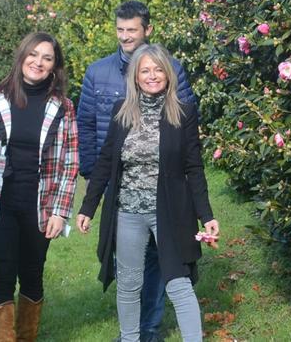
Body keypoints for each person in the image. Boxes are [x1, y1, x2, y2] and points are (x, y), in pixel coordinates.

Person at [75, 44, 219, 342]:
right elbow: (105, 163)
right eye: (145, 70)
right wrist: (87, 207)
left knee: (179, 283)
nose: (152, 76)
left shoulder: (184, 113)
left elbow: (194, 168)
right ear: (135, 77)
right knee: (129, 284)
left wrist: (206, 216)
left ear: (167, 73)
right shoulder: (122, 112)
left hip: (170, 212)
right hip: (127, 212)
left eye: (157, 69)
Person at [0, 32, 80, 341]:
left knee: (32, 275)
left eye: (47, 57)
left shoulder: (63, 106)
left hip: (40, 205)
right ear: (21, 57)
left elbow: (70, 162)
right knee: (2, 275)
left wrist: (60, 211)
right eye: (33, 54)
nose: (38, 62)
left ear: (55, 66)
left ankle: (27, 336)